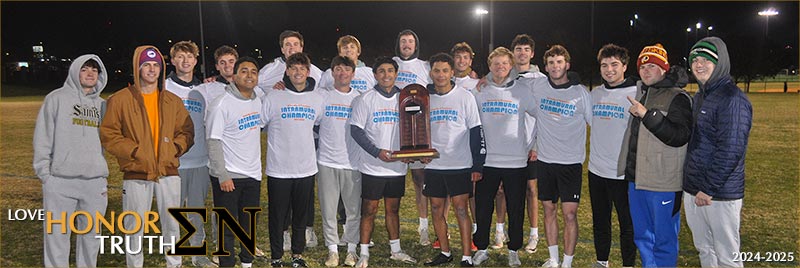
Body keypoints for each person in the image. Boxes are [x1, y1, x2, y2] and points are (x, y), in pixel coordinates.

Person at [100, 45, 194, 268]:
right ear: (137, 67)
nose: (151, 70)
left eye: (156, 65)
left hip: (168, 172)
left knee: (172, 224)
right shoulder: (120, 99)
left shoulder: (172, 100)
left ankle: (175, 264)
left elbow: (187, 131)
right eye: (146, 65)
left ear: (161, 69)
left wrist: (175, 149)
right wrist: (134, 151)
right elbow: (109, 133)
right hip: (136, 172)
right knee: (134, 225)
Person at [618, 43, 693, 268]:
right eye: (642, 66)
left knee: (664, 239)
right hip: (637, 180)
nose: (646, 70)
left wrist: (647, 115)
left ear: (664, 68)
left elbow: (680, 136)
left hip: (663, 183)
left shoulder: (677, 97)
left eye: (652, 66)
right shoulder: (643, 93)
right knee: (642, 237)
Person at [683, 37, 752, 268]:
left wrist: (708, 189)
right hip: (695, 189)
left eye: (706, 60)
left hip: (717, 194)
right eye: (695, 60)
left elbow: (731, 149)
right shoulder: (701, 95)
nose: (699, 64)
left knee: (727, 255)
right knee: (705, 249)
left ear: (720, 62)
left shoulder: (732, 99)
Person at [34, 55, 109, 268]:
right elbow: (43, 135)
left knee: (92, 237)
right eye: (85, 69)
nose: (90, 73)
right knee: (57, 236)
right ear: (75, 71)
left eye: (94, 70)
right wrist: (45, 175)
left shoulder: (103, 105)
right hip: (60, 180)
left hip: (94, 182)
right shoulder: (56, 98)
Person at [471, 47, 537, 267]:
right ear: (489, 67)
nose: (500, 67)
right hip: (487, 161)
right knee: (482, 207)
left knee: (516, 208)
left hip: (516, 161)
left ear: (511, 66)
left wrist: (533, 144)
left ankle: (513, 250)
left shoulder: (522, 90)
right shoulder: (479, 90)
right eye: (496, 64)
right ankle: (481, 248)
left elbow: (539, 116)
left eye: (504, 64)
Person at [349, 56, 417, 268]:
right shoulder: (365, 99)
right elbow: (356, 131)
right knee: (369, 210)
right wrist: (377, 152)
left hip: (397, 166)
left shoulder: (406, 99)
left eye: (390, 71)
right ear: (375, 75)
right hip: (373, 166)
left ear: (396, 74)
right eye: (381, 71)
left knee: (393, 210)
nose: (386, 75)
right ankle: (364, 252)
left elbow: (415, 128)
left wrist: (412, 152)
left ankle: (395, 250)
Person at [529, 45, 592, 268]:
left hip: (571, 163)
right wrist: (486, 79)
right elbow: (511, 78)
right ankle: (554, 260)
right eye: (551, 62)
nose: (555, 66)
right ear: (545, 67)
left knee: (570, 214)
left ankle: (567, 263)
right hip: (545, 161)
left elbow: (596, 123)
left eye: (559, 62)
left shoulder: (580, 92)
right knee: (548, 210)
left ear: (567, 64)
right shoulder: (538, 85)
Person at [257, 30, 321, 249]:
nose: (292, 47)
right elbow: (253, 88)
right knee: (280, 205)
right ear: (282, 49)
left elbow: (323, 104)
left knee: (304, 200)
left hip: (306, 150)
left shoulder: (317, 80)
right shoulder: (270, 77)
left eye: (295, 44)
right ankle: (283, 234)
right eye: (287, 44)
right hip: (280, 156)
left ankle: (306, 233)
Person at [421, 53, 485, 267]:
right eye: (437, 71)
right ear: (431, 73)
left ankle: (466, 256)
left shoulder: (465, 97)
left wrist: (477, 164)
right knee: (437, 209)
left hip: (460, 164)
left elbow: (476, 132)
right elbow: (418, 130)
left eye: (445, 71)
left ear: (452, 73)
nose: (440, 75)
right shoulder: (425, 99)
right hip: (434, 164)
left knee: (461, 210)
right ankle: (445, 252)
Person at [163, 41, 217, 267]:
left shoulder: (204, 90)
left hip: (200, 160)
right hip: (172, 162)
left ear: (196, 61)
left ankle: (198, 254)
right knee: (172, 213)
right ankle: (173, 259)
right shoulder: (163, 88)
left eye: (190, 57)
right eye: (180, 57)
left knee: (196, 209)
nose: (185, 61)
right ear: (173, 60)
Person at [206, 56, 263, 268]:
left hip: (252, 175)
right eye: (244, 71)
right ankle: (226, 264)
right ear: (235, 76)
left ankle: (247, 263)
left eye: (254, 71)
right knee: (227, 227)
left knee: (249, 223)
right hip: (228, 176)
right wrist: (223, 175)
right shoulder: (221, 104)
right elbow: (213, 141)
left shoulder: (257, 100)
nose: (249, 75)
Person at [588, 44, 637, 268]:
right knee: (601, 221)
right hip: (596, 170)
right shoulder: (595, 94)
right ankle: (602, 261)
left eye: (614, 64)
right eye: (604, 65)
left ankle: (628, 264)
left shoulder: (637, 92)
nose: (609, 70)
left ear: (625, 66)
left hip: (623, 172)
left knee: (627, 223)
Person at [316, 56, 363, 267]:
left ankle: (352, 250)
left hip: (352, 163)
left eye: (346, 69)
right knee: (328, 210)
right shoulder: (322, 96)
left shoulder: (360, 99)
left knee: (354, 210)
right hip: (326, 161)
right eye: (338, 69)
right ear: (332, 73)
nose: (342, 73)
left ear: (353, 74)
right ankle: (333, 250)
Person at [393, 28, 434, 246]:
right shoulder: (390, 64)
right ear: (398, 44)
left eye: (410, 41)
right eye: (403, 41)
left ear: (416, 44)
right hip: (394, 130)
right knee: (392, 182)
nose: (407, 44)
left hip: (417, 130)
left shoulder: (425, 66)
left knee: (421, 180)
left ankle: (424, 227)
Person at [511, 34, 546, 254]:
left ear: (532, 53)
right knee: (505, 191)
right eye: (518, 49)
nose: (522, 53)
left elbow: (543, 114)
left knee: (532, 189)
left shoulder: (540, 79)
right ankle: (501, 231)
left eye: (526, 49)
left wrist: (536, 145)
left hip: (531, 143)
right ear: (512, 52)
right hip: (509, 145)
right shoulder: (505, 75)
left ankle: (534, 234)